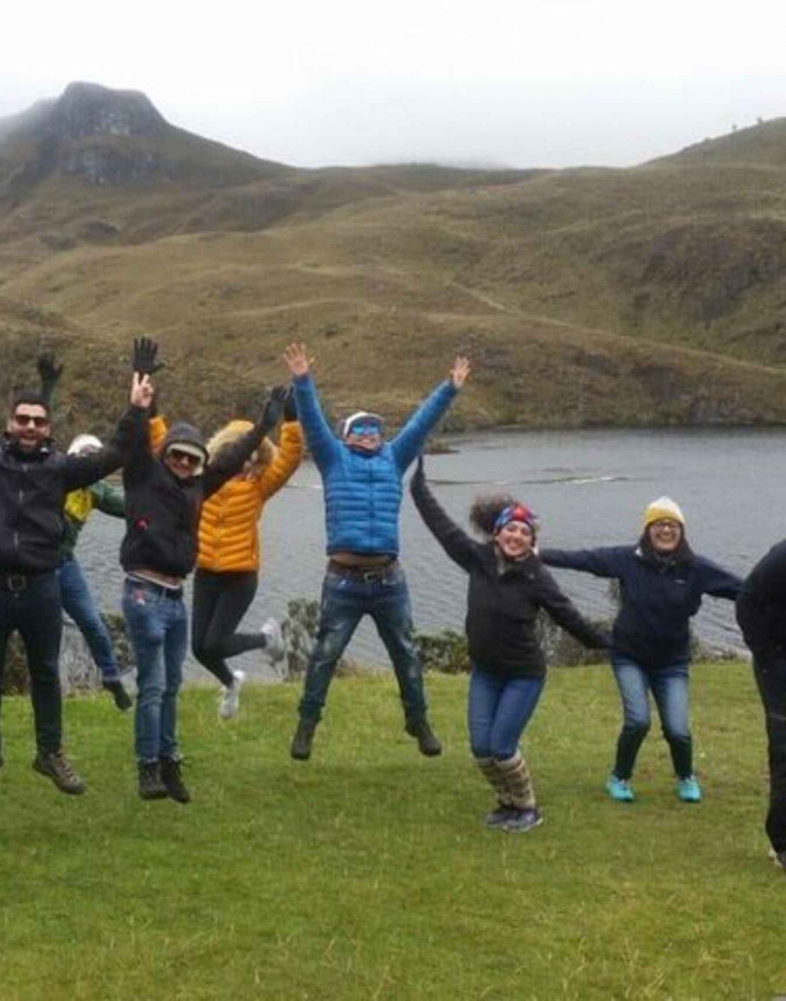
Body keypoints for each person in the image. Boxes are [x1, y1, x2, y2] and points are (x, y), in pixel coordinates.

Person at [0, 323, 147, 798]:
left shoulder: (61, 470)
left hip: (42, 586)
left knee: (45, 672)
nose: (31, 427)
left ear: (49, 428)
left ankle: (51, 753)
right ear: (9, 423)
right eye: (23, 419)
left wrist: (136, 410)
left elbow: (116, 454)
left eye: (39, 421)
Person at [283, 342, 471, 761]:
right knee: (325, 654)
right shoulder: (333, 459)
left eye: (375, 430)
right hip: (343, 580)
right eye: (361, 430)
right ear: (347, 435)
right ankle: (307, 725)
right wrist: (302, 380)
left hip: (389, 579)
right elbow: (312, 421)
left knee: (406, 652)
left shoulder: (394, 459)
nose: (370, 436)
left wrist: (449, 389)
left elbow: (421, 425)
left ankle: (417, 720)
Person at [121, 355, 291, 803]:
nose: (181, 460)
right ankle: (152, 765)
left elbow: (283, 457)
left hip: (219, 580)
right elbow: (155, 439)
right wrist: (144, 391)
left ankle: (169, 760)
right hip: (170, 585)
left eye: (189, 457)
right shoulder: (176, 479)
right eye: (176, 455)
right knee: (173, 670)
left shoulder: (234, 484)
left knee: (179, 674)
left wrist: (279, 421)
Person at [411, 459, 608, 833]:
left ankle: (528, 808)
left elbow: (569, 617)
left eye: (524, 532)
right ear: (497, 533)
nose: (516, 536)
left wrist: (608, 644)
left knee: (502, 747)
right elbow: (443, 528)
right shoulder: (477, 559)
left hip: (523, 675)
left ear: (532, 541)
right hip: (485, 673)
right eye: (510, 530)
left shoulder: (537, 577)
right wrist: (419, 489)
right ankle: (507, 803)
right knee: (481, 750)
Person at [0, 355, 136, 713]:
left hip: (62, 565)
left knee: (92, 622)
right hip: (29, 567)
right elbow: (35, 429)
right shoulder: (52, 473)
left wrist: (156, 513)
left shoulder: (96, 490)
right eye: (83, 455)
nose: (87, 462)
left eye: (92, 458)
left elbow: (128, 508)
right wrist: (48, 386)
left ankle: (112, 678)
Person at [541, 497, 741, 803]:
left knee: (677, 729)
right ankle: (619, 778)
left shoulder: (695, 568)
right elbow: (583, 559)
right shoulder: (626, 559)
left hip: (672, 662)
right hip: (629, 656)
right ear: (647, 529)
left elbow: (744, 589)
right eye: (659, 524)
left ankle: (686, 777)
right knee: (638, 720)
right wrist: (537, 554)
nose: (665, 530)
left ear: (681, 531)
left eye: (672, 525)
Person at [187, 397, 304, 719]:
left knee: (216, 643)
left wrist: (291, 420)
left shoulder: (259, 487)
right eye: (240, 454)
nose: (247, 462)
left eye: (254, 456)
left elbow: (290, 460)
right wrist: (149, 412)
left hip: (240, 577)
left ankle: (267, 638)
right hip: (206, 573)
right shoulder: (201, 482)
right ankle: (231, 682)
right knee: (199, 649)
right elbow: (163, 449)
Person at [736, 539, 786, 874]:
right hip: (779, 663)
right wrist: (768, 657)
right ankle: (782, 842)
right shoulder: (782, 558)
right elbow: (747, 602)